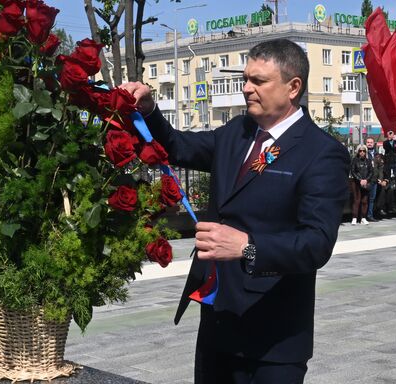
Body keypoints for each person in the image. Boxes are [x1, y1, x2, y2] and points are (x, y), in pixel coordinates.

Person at [121, 38, 350, 384]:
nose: (246, 89)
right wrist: (150, 110)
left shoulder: (321, 153)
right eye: (245, 79)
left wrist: (247, 247)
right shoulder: (237, 133)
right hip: (218, 323)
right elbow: (179, 146)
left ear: (293, 87)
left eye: (258, 81)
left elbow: (316, 243)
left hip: (274, 339)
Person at [350, 145, 373, 225]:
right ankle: (354, 218)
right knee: (356, 200)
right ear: (358, 152)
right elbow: (353, 171)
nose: (362, 152)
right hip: (356, 183)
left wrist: (366, 180)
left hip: (366, 182)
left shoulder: (368, 161)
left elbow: (371, 171)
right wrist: (360, 179)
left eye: (364, 151)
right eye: (360, 151)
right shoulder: (354, 160)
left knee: (365, 201)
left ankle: (363, 217)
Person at [365, 137, 378, 221]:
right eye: (368, 142)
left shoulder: (377, 154)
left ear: (374, 143)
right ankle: (362, 216)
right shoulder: (363, 153)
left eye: (371, 142)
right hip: (366, 179)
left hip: (374, 179)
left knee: (372, 199)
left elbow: (380, 167)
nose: (369, 144)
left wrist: (380, 178)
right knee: (364, 198)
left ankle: (370, 215)